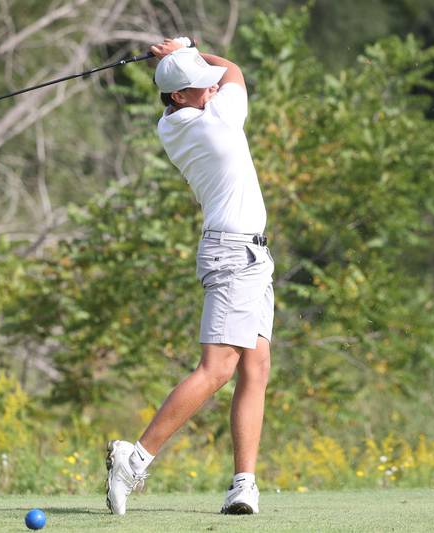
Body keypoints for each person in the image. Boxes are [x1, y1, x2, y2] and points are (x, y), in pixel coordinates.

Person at [105, 37, 275, 516]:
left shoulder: (173, 122)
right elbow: (235, 70)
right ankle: (133, 458)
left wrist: (181, 61)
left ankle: (243, 484)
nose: (210, 86)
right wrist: (188, 47)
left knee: (255, 367)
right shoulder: (216, 121)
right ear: (180, 95)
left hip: (250, 256)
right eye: (199, 85)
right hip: (233, 255)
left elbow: (219, 79)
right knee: (217, 368)